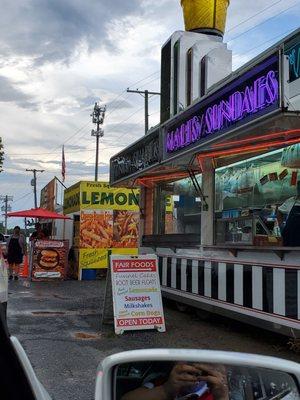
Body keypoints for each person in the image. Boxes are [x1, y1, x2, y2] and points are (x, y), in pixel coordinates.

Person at [121, 362, 228, 400]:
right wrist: (165, 390)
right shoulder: (160, 382)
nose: (195, 368)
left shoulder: (216, 393)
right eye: (188, 361)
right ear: (173, 364)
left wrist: (221, 397)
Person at [277, 181, 300, 246]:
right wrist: (281, 226)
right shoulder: (291, 201)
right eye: (298, 187)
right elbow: (279, 212)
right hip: (290, 238)